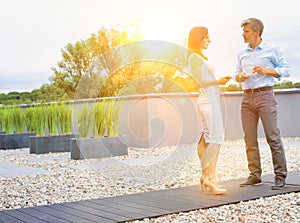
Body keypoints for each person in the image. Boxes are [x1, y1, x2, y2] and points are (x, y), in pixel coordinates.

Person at [233, 18, 292, 190]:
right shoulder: (241, 53)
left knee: (272, 137)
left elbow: (286, 70)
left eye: (246, 31)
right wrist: (241, 77)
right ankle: (254, 175)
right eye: (243, 31)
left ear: (256, 32)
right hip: (246, 98)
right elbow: (236, 74)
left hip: (265, 96)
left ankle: (280, 176)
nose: (243, 34)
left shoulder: (272, 50)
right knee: (249, 138)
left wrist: (267, 70)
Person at [186, 26, 231, 195]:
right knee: (217, 138)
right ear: (199, 39)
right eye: (206, 37)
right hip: (208, 102)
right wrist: (217, 81)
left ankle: (207, 177)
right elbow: (199, 82)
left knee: (207, 137)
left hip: (208, 101)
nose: (209, 40)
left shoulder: (197, 58)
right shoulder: (194, 58)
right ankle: (210, 178)